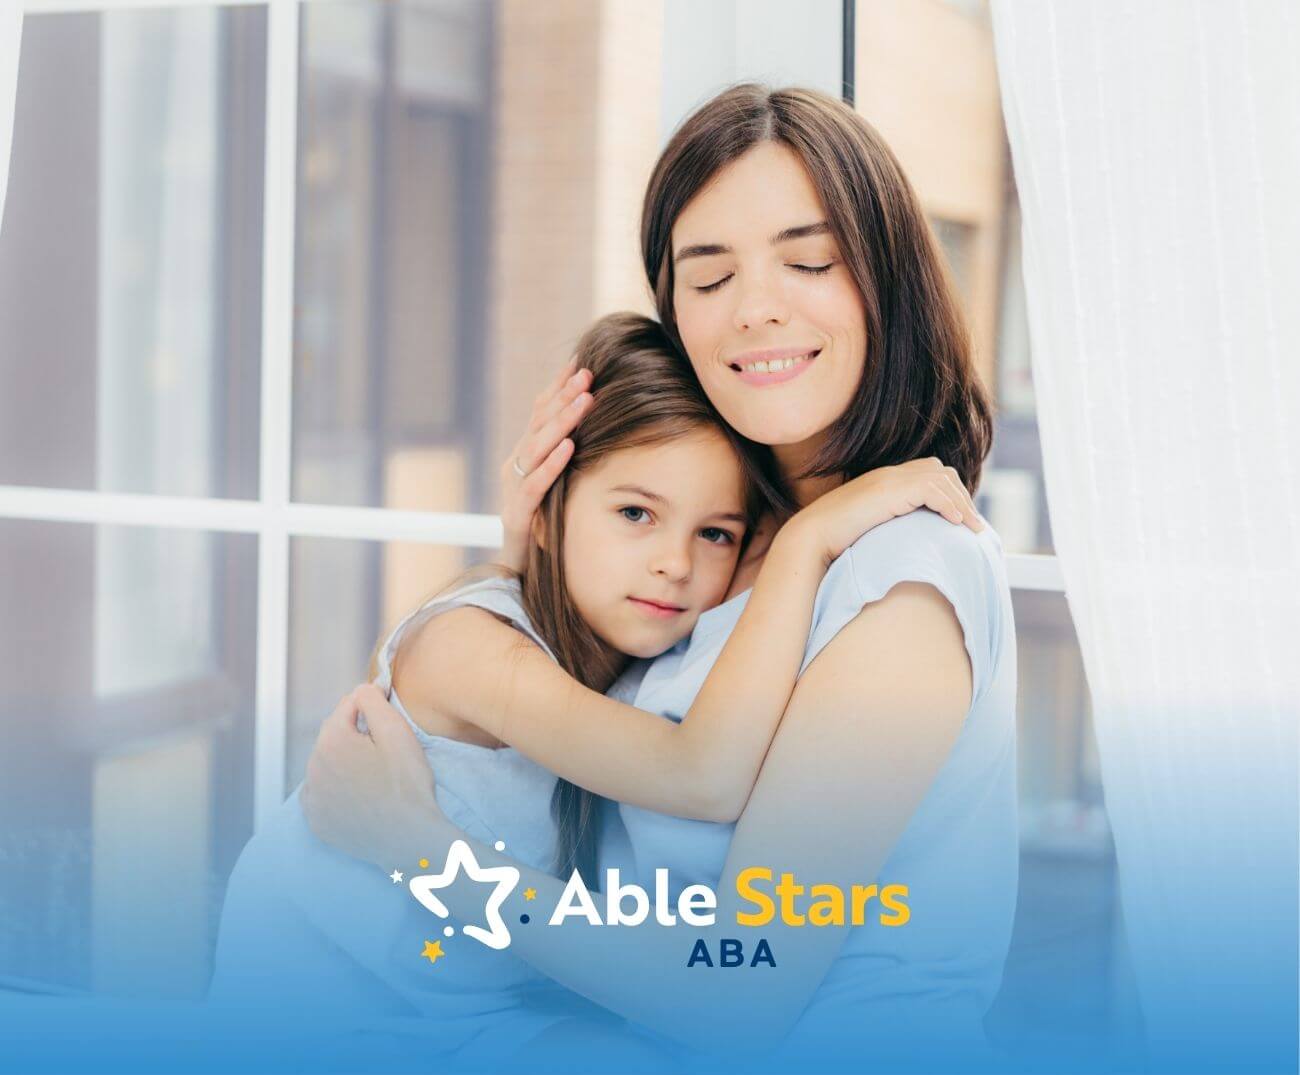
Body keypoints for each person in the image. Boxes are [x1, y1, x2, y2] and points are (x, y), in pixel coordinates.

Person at [300, 84, 1016, 1071]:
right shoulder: (719, 538)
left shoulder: (901, 584)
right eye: (708, 275)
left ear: (887, 281)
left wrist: (409, 841)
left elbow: (737, 991)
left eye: (808, 260)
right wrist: (543, 556)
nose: (756, 306)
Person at [208, 310, 978, 1066]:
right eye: (636, 512)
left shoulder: (627, 660)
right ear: (548, 505)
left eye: (715, 533)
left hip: (463, 1002)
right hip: (320, 991)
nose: (674, 563)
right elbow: (701, 773)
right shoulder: (469, 647)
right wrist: (809, 543)